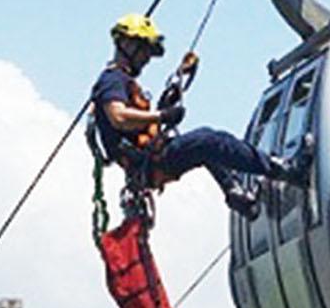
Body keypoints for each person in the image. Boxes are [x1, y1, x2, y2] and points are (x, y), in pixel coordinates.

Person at [91, 13, 299, 219]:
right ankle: (283, 169)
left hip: (150, 160)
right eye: (144, 51)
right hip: (150, 162)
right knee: (208, 141)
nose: (146, 59)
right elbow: (117, 116)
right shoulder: (112, 79)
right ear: (127, 44)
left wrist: (172, 95)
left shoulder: (121, 80)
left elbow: (139, 126)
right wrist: (162, 116)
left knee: (209, 143)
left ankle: (236, 192)